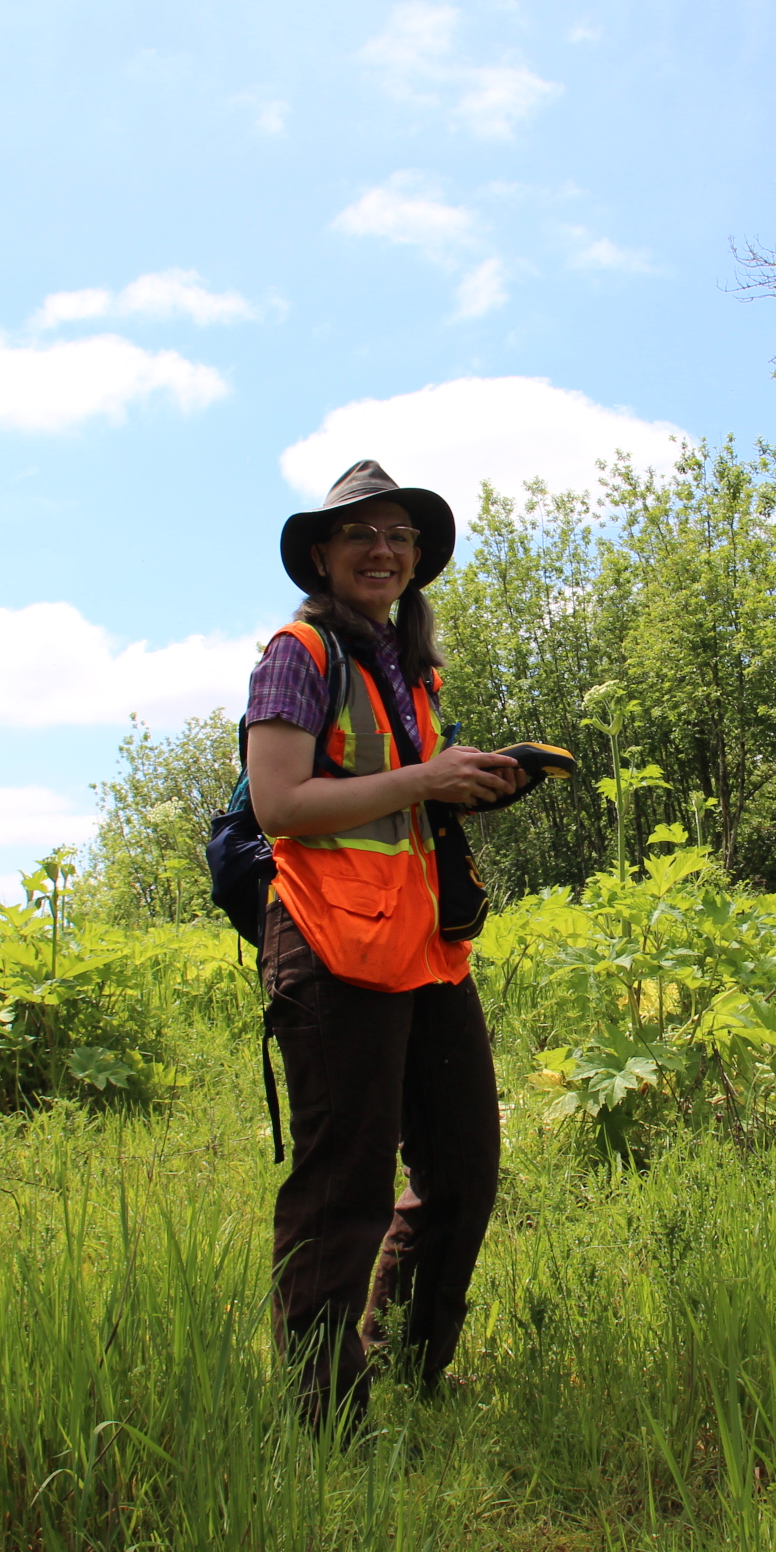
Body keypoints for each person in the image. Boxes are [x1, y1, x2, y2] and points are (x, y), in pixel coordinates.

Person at [244, 459, 521, 1428]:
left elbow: (408, 795)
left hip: (421, 946)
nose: (382, 549)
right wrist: (423, 782)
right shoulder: (297, 653)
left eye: (399, 536)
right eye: (360, 533)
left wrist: (476, 779)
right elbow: (280, 802)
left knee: (463, 1167)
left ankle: (411, 1369)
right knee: (344, 1181)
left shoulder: (412, 669)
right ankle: (325, 1417)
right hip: (326, 945)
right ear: (321, 554)